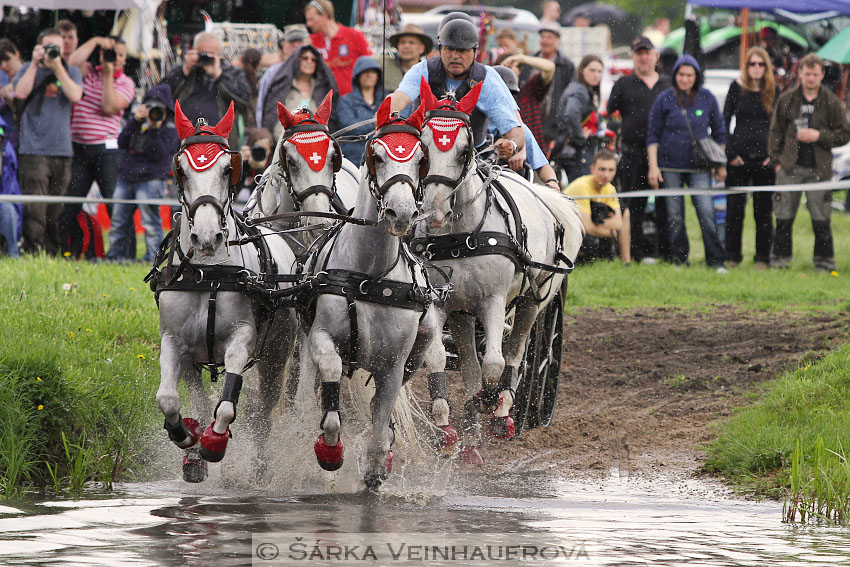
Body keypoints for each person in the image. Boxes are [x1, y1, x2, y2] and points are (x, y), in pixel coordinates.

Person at [389, 18, 525, 161]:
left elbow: (515, 132)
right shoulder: (422, 70)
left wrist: (512, 144)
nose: (455, 56)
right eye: (449, 49)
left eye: (462, 50)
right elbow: (399, 98)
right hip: (423, 157)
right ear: (440, 49)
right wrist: (387, 115)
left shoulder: (487, 79)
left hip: (473, 161)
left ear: (474, 51)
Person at [768, 53, 850, 272]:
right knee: (783, 217)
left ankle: (824, 264)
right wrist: (777, 162)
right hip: (789, 167)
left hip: (819, 169)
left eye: (815, 74)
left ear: (822, 75)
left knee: (821, 219)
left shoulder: (831, 101)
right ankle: (780, 261)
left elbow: (844, 134)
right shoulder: (787, 99)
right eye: (807, 74)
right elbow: (775, 133)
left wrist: (819, 136)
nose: (811, 78)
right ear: (800, 74)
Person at [647, 54, 727, 271]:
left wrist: (720, 164)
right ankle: (680, 259)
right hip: (669, 166)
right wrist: (653, 167)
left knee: (706, 212)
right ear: (675, 75)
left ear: (696, 76)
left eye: (689, 75)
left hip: (700, 167)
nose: (685, 79)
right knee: (674, 216)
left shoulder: (707, 97)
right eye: (681, 74)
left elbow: (720, 132)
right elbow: (652, 135)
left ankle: (716, 261)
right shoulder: (664, 98)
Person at [60, 35, 135, 257]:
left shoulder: (126, 82)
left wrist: (108, 75)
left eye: (120, 55)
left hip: (107, 152)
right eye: (111, 53)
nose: (115, 58)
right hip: (79, 149)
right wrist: (93, 41)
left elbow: (109, 106)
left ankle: (124, 255)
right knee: (69, 205)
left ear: (125, 58)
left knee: (115, 206)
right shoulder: (86, 71)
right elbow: (69, 64)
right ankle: (64, 250)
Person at [13, 27, 84, 256]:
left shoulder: (70, 71)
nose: (53, 51)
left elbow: (75, 96)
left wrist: (58, 68)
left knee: (56, 209)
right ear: (39, 47)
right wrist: (35, 64)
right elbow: (20, 94)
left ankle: (52, 254)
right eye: (49, 46)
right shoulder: (27, 69)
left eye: (58, 47)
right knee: (35, 208)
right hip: (33, 151)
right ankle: (32, 253)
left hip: (63, 151)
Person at [607, 36, 672, 264]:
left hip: (664, 155)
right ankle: (634, 254)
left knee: (667, 206)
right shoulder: (623, 84)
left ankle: (666, 254)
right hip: (632, 153)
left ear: (655, 56)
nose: (644, 57)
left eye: (647, 53)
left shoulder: (668, 84)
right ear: (633, 57)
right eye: (639, 53)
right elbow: (610, 115)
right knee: (634, 206)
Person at [106, 84, 179, 263]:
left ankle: (153, 258)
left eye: (158, 108)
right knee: (118, 220)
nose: (154, 112)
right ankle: (114, 256)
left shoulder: (170, 126)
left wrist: (154, 128)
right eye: (150, 107)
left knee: (150, 222)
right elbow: (121, 142)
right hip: (127, 176)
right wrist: (135, 121)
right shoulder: (137, 121)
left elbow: (160, 154)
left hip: (152, 178)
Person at [723, 47, 779, 270]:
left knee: (763, 212)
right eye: (752, 64)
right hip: (739, 159)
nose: (756, 68)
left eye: (761, 64)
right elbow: (724, 121)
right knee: (735, 210)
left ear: (766, 67)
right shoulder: (736, 88)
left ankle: (763, 258)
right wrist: (730, 154)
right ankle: (732, 256)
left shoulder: (774, 90)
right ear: (746, 67)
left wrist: (774, 156)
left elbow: (782, 127)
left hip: (764, 160)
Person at [161, 31, 250, 149]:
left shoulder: (232, 73)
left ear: (220, 54)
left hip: (220, 143)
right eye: (203, 53)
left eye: (211, 54)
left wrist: (219, 75)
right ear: (195, 51)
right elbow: (162, 93)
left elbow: (244, 100)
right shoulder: (186, 69)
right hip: (184, 141)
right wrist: (184, 71)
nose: (206, 58)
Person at [493, 65, 560, 190]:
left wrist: (552, 182)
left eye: (511, 97)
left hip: (513, 191)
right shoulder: (475, 124)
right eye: (501, 96)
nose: (507, 101)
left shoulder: (520, 129)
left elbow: (543, 167)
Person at [256, 44, 337, 137]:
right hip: (285, 142)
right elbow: (272, 118)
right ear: (297, 60)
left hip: (316, 142)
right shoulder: (284, 86)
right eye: (305, 58)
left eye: (313, 59)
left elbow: (329, 121)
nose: (309, 62)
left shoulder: (322, 89)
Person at [565, 149, 631, 264]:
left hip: (589, 225)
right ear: (592, 169)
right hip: (568, 230)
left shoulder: (610, 188)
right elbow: (587, 227)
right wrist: (611, 233)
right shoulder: (582, 186)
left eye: (611, 170)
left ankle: (626, 262)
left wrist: (596, 223)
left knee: (625, 213)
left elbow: (619, 223)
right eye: (602, 169)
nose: (606, 174)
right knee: (589, 243)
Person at [519, 23, 574, 153]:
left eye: (549, 37)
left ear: (557, 41)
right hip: (530, 119)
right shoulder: (529, 61)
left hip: (552, 124)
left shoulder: (566, 65)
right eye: (543, 37)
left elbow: (568, 95)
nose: (545, 41)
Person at [305, 0, 372, 97]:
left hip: (351, 100)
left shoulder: (354, 36)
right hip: (324, 100)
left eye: (311, 19)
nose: (308, 24)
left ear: (325, 15)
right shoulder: (311, 41)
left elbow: (370, 65)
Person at [556, 54, 604, 181]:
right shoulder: (579, 90)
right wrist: (579, 137)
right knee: (581, 193)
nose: (596, 75)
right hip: (576, 153)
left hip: (573, 151)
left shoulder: (581, 89)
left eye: (599, 71)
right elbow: (571, 113)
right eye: (592, 70)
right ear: (582, 70)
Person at [338, 57, 387, 165]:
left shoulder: (387, 98)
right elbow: (349, 126)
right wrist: (374, 122)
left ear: (378, 76)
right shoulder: (345, 100)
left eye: (373, 72)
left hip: (383, 156)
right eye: (365, 72)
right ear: (358, 76)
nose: (369, 75)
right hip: (354, 157)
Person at [502, 52, 555, 152]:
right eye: (507, 66)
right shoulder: (493, 97)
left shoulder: (528, 90)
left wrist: (520, 58)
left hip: (534, 153)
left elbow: (550, 67)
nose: (512, 69)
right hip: (505, 155)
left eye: (516, 67)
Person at [382, 24, 432, 91]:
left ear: (421, 48)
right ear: (397, 47)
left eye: (411, 43)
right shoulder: (384, 66)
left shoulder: (429, 72)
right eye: (403, 42)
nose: (406, 46)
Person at [0, 116, 21, 257]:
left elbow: (10, 189)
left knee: (8, 209)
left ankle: (12, 254)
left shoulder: (6, 152)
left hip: (3, 200)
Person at [238, 127, 274, 200]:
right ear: (250, 149)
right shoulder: (244, 166)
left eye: (264, 150)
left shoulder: (273, 168)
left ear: (270, 150)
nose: (259, 154)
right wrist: (237, 163)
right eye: (257, 149)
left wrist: (261, 169)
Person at [0, 39, 22, 148]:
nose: (4, 65)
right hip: (5, 139)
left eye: (7, 59)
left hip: (28, 141)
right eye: (0, 62)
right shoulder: (2, 78)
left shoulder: (31, 74)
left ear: (17, 54)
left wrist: (9, 96)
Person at [240, 48, 262, 128]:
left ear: (241, 60)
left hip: (242, 121)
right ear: (259, 64)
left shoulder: (237, 77)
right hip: (253, 122)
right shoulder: (256, 81)